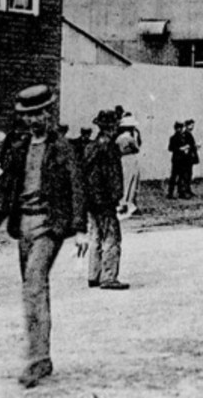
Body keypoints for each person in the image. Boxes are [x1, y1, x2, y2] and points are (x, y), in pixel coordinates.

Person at [0, 84, 88, 389]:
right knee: (33, 288)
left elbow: (77, 188)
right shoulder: (18, 148)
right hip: (23, 226)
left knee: (33, 286)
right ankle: (43, 354)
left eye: (39, 113)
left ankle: (37, 359)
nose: (33, 120)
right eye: (27, 115)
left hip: (48, 226)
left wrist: (80, 229)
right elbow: (9, 192)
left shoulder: (63, 147)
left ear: (49, 113)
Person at [84, 110, 129, 290]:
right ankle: (108, 276)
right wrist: (117, 197)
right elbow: (113, 176)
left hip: (91, 198)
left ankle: (93, 274)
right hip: (105, 199)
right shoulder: (109, 148)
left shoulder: (90, 146)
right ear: (112, 127)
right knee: (111, 237)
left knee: (95, 235)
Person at [116, 114, 143, 215]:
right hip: (130, 159)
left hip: (123, 159)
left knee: (125, 180)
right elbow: (137, 148)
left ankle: (123, 203)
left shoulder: (118, 138)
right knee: (132, 181)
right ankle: (129, 203)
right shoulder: (129, 138)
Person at [166, 121, 195, 199]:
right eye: (179, 128)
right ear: (176, 129)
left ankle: (181, 192)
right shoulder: (173, 138)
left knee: (182, 176)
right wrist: (180, 149)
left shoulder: (185, 137)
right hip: (177, 159)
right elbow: (170, 148)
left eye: (181, 128)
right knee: (174, 176)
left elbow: (190, 145)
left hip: (183, 160)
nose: (180, 130)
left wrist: (187, 148)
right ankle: (170, 193)